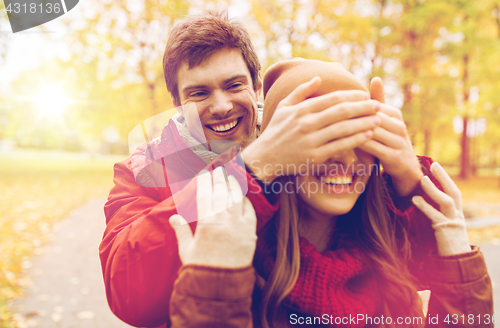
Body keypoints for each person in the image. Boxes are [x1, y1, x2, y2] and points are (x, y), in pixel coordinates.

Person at [100, 12, 437, 328]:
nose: (221, 106)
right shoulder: (143, 171)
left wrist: (410, 179)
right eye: (199, 93)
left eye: (234, 86)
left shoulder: (304, 144)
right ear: (177, 102)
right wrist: (252, 168)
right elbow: (129, 292)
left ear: (256, 87)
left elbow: (408, 260)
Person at [168, 59, 493, 328]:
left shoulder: (391, 271)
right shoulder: (235, 264)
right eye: (324, 139)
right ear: (279, 149)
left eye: (360, 138)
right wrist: (212, 293)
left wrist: (459, 272)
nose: (346, 160)